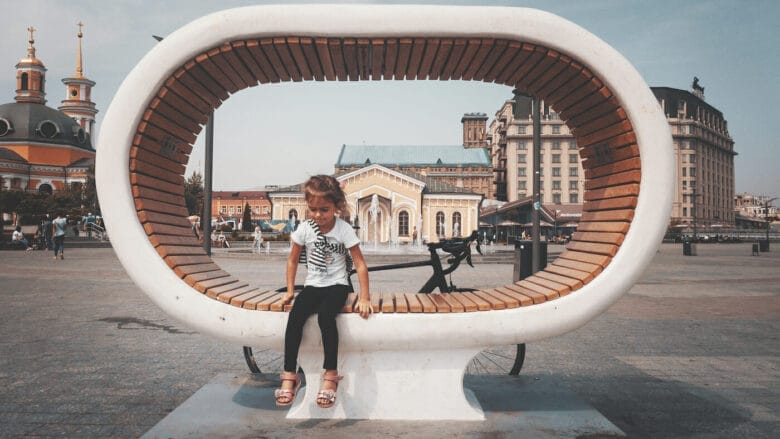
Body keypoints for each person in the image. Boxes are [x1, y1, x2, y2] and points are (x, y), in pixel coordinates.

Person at [275, 175, 371, 409]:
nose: (318, 215)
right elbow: (292, 260)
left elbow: (359, 264)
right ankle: (290, 375)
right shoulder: (305, 229)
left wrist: (365, 297)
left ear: (336, 207)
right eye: (313, 209)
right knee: (295, 317)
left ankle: (330, 376)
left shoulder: (344, 229)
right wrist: (289, 290)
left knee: (326, 317)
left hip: (337, 285)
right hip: (313, 285)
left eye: (324, 209)